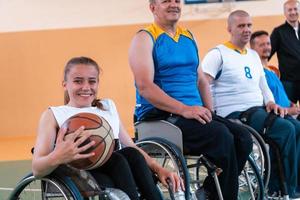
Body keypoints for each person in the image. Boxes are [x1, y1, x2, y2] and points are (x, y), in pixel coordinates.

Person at [128, 1, 252, 200]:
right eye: (166, 1)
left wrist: (210, 111)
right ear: (153, 7)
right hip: (161, 115)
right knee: (221, 136)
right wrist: (184, 109)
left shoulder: (188, 36)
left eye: (177, 0)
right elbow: (145, 86)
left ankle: (209, 191)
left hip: (191, 112)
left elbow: (201, 80)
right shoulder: (144, 38)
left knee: (243, 137)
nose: (173, 4)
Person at [32, 56, 182, 200]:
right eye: (78, 81)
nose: (86, 87)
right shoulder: (53, 114)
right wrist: (58, 155)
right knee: (117, 159)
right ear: (65, 84)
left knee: (131, 153)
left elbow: (130, 146)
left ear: (98, 83)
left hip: (117, 171)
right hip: (80, 174)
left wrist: (159, 169)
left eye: (92, 81)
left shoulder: (107, 106)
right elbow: (37, 169)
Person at [202, 10, 300, 198]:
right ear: (229, 28)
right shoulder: (218, 54)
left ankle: (293, 185)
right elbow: (202, 83)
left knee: (296, 127)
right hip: (235, 114)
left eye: (249, 25)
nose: (246, 30)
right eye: (241, 26)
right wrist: (209, 112)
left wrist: (271, 102)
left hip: (259, 110)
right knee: (285, 130)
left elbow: (263, 86)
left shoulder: (253, 56)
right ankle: (278, 189)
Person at [250, 30, 300, 118]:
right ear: (252, 49)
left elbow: (278, 93)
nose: (266, 47)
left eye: (268, 43)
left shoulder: (273, 71)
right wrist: (288, 111)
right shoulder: (255, 73)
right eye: (262, 45)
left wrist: (290, 103)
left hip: (292, 114)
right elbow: (264, 104)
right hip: (280, 117)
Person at [270, 0, 300, 105]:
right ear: (285, 13)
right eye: (289, 10)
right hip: (288, 82)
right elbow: (267, 54)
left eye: (295, 9)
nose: (293, 12)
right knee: (289, 113)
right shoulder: (278, 32)